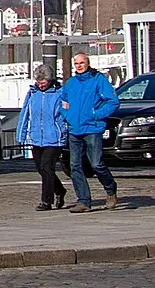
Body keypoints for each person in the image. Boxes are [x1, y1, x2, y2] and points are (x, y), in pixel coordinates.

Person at [60, 51, 121, 211]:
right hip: (75, 129)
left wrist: (96, 115)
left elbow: (113, 102)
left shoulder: (98, 80)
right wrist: (68, 116)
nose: (79, 66)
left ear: (87, 63)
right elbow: (63, 102)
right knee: (75, 166)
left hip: (92, 128)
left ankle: (110, 188)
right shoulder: (71, 83)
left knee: (96, 164)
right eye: (76, 63)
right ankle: (84, 201)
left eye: (81, 63)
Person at [17, 67, 69, 210]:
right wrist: (21, 134)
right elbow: (25, 113)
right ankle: (59, 190)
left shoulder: (59, 93)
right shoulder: (33, 94)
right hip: (36, 137)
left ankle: (46, 201)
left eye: (43, 81)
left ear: (50, 79)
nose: (41, 84)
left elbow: (67, 114)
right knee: (41, 168)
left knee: (47, 167)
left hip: (54, 137)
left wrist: (65, 131)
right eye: (38, 81)